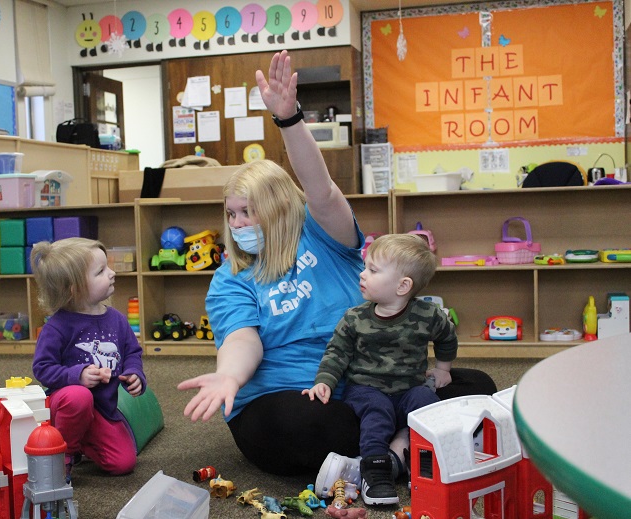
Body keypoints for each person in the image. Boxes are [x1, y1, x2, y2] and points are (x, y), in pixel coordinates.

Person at [177, 50, 496, 481]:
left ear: (278, 208)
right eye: (231, 215)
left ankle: (383, 449)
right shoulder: (231, 279)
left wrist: (289, 120)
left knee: (476, 387)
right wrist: (228, 378)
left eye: (247, 212)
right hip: (288, 396)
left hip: (368, 382)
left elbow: (321, 189)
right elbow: (241, 340)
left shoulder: (321, 233)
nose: (237, 225)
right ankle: (405, 443)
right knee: (307, 425)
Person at [303, 233, 456, 506]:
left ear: (402, 286)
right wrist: (324, 380)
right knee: (378, 412)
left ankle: (421, 464)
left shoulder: (428, 315)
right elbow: (337, 352)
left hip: (410, 388)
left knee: (429, 408)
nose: (362, 274)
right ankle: (375, 474)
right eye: (365, 267)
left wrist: (443, 368)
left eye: (372, 270)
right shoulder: (355, 318)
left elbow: (447, 337)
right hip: (366, 389)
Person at [30, 237, 145, 484]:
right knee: (79, 397)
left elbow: (132, 352)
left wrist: (134, 373)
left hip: (103, 409)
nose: (112, 273)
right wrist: (78, 376)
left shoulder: (116, 319)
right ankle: (64, 452)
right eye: (101, 271)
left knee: (123, 463)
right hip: (67, 404)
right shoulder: (57, 327)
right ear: (74, 288)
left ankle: (83, 440)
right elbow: (42, 368)